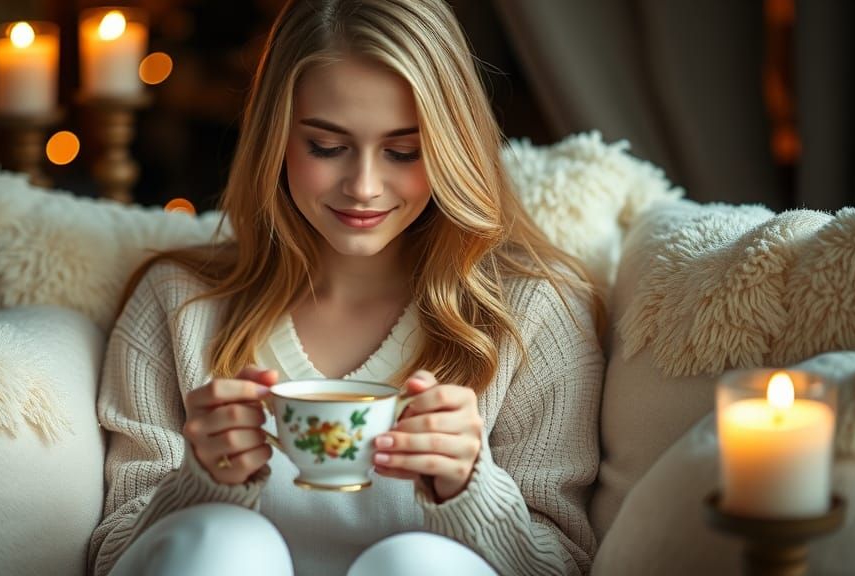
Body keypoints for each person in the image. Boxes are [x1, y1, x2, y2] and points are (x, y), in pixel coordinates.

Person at [88, 1, 605, 575]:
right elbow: (112, 554)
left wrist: (472, 491)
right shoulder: (179, 303)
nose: (363, 187)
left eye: (404, 152)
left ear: (453, 148)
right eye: (327, 147)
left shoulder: (532, 313)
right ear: (276, 140)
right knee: (223, 542)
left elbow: (566, 564)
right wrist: (199, 486)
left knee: (421, 564)